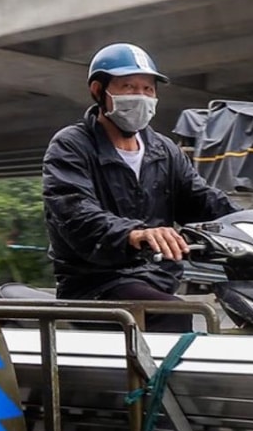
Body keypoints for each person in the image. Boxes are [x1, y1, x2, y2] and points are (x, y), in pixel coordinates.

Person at [40, 43, 240, 332]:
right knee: (171, 313)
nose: (141, 97)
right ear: (99, 91)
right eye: (129, 87)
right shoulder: (71, 145)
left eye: (148, 89)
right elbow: (76, 214)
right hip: (95, 286)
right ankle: (156, 381)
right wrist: (134, 234)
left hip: (157, 280)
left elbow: (204, 201)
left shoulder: (163, 149)